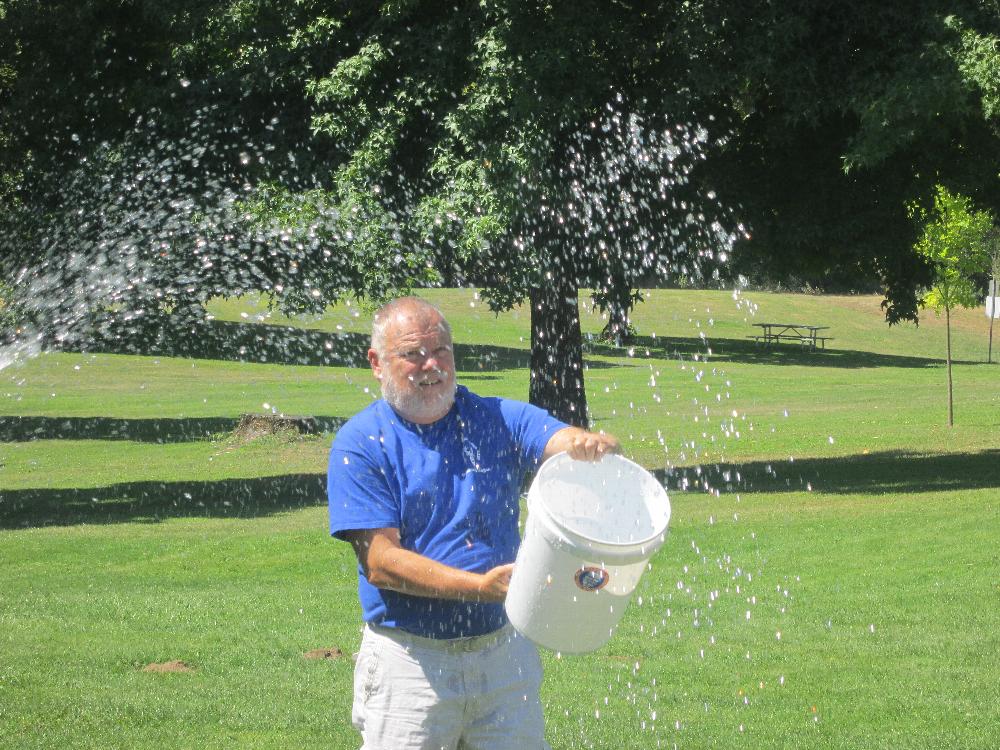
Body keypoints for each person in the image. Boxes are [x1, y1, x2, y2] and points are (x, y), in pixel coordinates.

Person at [327, 296, 620, 750]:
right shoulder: (362, 443)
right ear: (376, 363)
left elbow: (554, 437)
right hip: (410, 663)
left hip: (503, 653)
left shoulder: (496, 418)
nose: (431, 365)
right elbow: (381, 563)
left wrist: (587, 445)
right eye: (412, 354)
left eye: (440, 350)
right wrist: (479, 587)